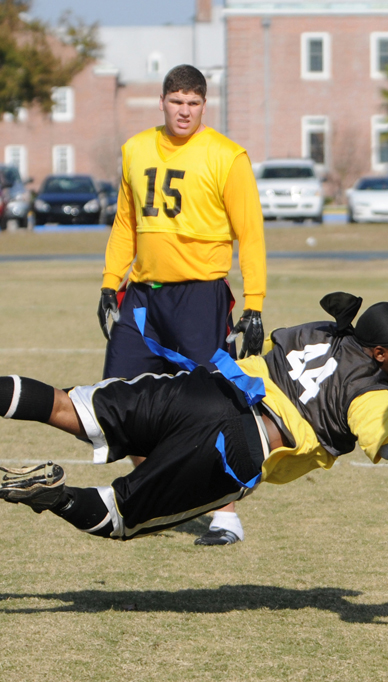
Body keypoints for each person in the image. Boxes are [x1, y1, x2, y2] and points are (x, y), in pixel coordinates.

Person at [0, 294, 388, 540]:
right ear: (378, 354)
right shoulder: (369, 396)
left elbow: (273, 342)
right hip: (241, 441)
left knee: (67, 405)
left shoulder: (319, 331)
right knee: (118, 515)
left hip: (204, 390)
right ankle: (53, 496)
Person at [96, 64, 267, 545]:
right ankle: (162, 495)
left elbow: (250, 234)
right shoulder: (135, 148)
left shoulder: (227, 156)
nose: (184, 111)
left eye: (193, 103)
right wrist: (111, 282)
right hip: (144, 297)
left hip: (200, 296)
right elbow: (125, 223)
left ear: (204, 105)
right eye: (177, 101)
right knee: (118, 398)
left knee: (213, 405)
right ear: (163, 101)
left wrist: (253, 302)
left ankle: (226, 514)